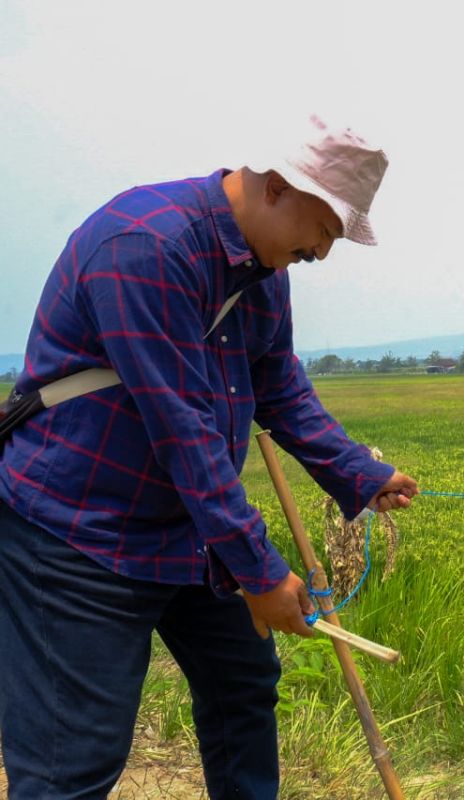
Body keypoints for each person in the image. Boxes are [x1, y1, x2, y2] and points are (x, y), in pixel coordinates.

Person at [0, 115, 419, 799]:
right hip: (77, 534)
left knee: (243, 690)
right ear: (280, 187)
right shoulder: (146, 246)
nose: (324, 249)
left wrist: (360, 474)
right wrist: (259, 571)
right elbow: (181, 429)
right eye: (325, 228)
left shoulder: (264, 274)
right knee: (71, 761)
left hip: (187, 531)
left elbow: (278, 385)